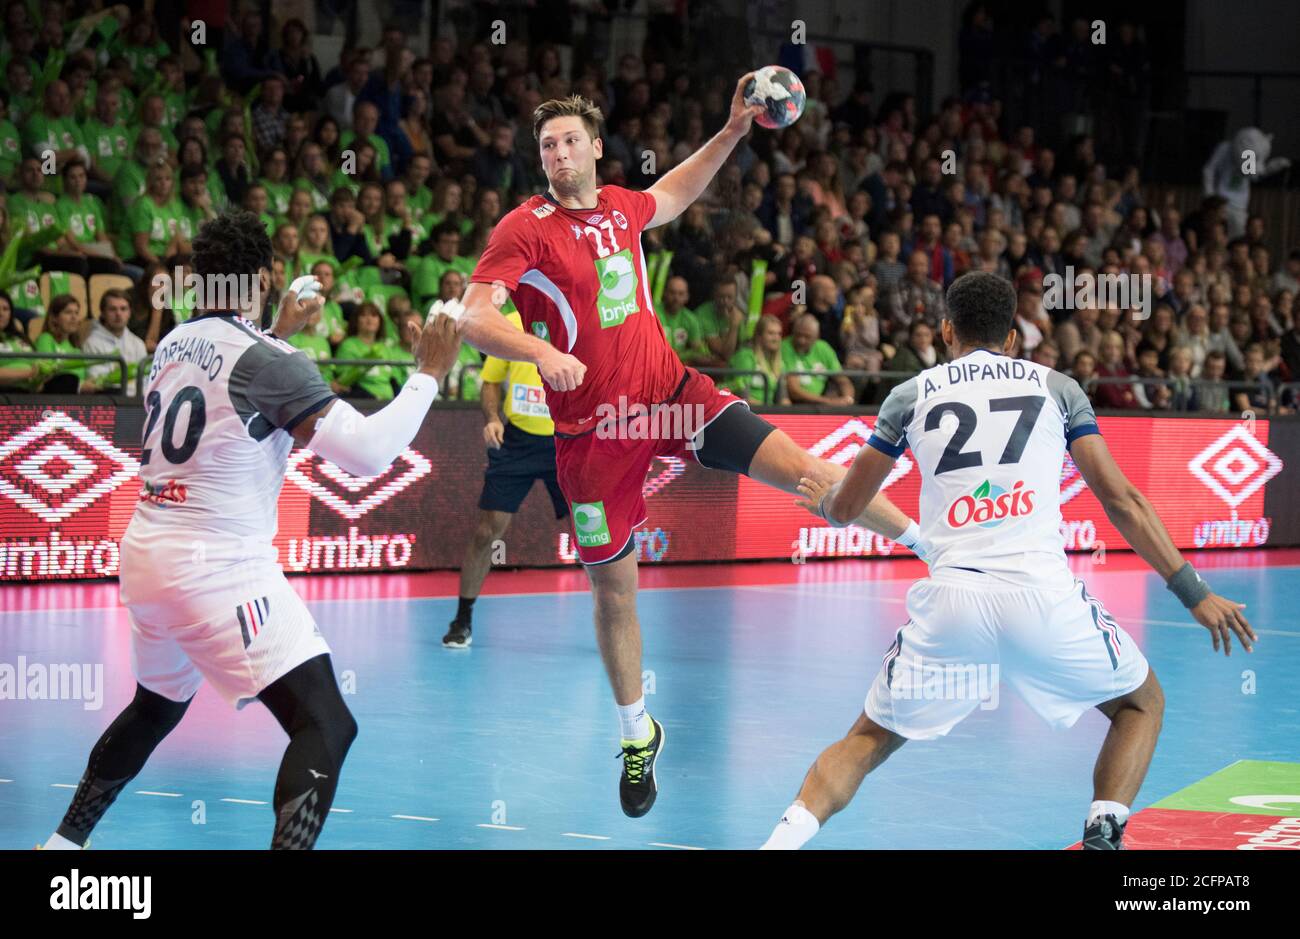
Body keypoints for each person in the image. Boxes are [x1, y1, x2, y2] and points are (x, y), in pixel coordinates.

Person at [458, 87, 929, 819]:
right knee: (614, 590)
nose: (557, 155)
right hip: (592, 437)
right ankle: (636, 733)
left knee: (805, 471)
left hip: (673, 394)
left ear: (595, 148)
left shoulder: (621, 206)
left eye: (569, 142)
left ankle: (931, 545)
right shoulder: (525, 228)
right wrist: (537, 348)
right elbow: (474, 315)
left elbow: (674, 189)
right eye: (547, 145)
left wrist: (735, 127)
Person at [762, 272, 1256, 851]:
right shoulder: (1058, 387)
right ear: (1014, 337)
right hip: (1044, 599)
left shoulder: (910, 394)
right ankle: (1103, 831)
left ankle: (777, 845)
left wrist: (829, 503)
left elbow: (847, 507)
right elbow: (1122, 501)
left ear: (946, 329)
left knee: (868, 739)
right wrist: (1194, 592)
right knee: (1141, 704)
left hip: (954, 605)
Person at [41, 211, 462, 851]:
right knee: (327, 724)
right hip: (216, 568)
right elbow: (371, 453)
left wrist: (274, 331)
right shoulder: (272, 362)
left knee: (154, 707)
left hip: (148, 552)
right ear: (265, 277)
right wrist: (429, 371)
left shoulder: (172, 344)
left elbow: (229, 371)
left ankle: (64, 845)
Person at [445, 311, 567, 648]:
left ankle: (614, 618)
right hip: (517, 443)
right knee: (487, 531)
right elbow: (490, 382)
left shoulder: (579, 317)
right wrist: (492, 418)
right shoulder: (509, 322)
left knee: (593, 534)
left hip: (568, 440)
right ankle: (463, 618)